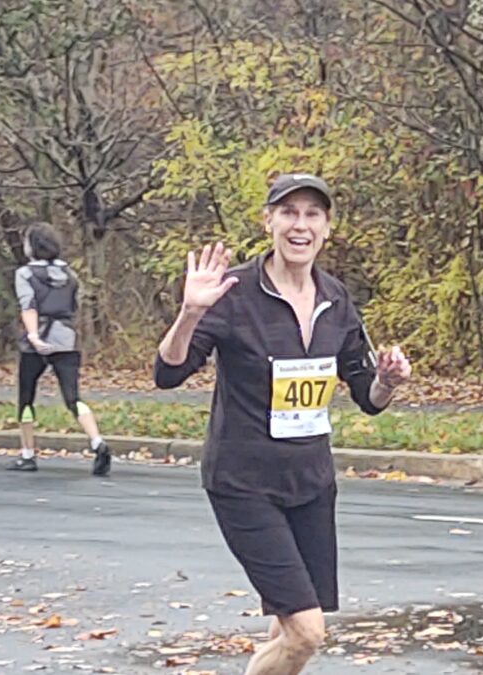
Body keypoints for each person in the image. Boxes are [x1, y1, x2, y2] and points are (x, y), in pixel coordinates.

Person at [154, 173, 412, 674]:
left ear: (327, 227)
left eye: (312, 214)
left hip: (312, 484)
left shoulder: (335, 298)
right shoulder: (233, 294)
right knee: (307, 631)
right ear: (268, 221)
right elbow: (168, 372)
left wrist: (389, 381)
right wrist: (189, 313)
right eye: (288, 212)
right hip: (244, 483)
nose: (300, 225)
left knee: (285, 628)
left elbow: (368, 395)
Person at [8, 222, 110, 476]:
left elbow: (28, 305)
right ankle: (97, 442)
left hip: (36, 341)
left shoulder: (25, 274)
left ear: (32, 246)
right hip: (66, 338)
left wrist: (33, 334)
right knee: (73, 397)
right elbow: (73, 305)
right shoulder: (70, 275)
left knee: (26, 397)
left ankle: (28, 454)